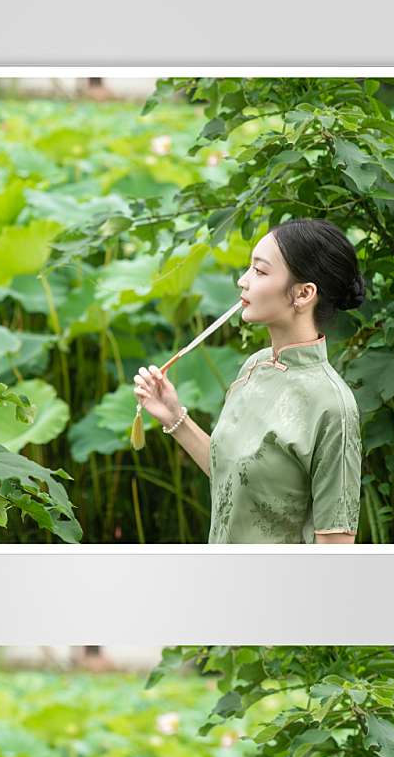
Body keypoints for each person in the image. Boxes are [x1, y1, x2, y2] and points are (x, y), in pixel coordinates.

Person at [132, 219, 365, 544]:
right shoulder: (253, 367)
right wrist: (175, 418)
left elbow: (335, 547)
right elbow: (233, 479)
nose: (243, 281)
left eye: (260, 271)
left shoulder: (333, 407)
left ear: (304, 293)